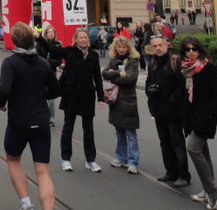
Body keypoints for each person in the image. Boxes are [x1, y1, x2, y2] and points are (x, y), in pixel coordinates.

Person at [0, 22, 61, 210]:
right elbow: (56, 90)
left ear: (14, 40)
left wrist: (2, 103)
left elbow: (3, 89)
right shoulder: (43, 63)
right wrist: (41, 95)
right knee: (42, 172)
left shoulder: (10, 63)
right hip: (40, 122)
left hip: (19, 122)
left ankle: (26, 203)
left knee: (13, 159)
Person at [179, 36, 217, 210]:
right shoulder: (185, 69)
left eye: (194, 49)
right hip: (191, 116)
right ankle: (207, 191)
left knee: (193, 148)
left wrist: (207, 111)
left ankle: (212, 190)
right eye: (187, 50)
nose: (191, 52)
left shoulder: (207, 67)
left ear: (200, 50)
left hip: (204, 117)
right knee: (204, 153)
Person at [57, 28, 105, 172]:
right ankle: (65, 159)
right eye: (81, 37)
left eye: (86, 38)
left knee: (88, 129)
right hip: (71, 94)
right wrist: (38, 38)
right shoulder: (69, 52)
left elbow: (97, 77)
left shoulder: (94, 55)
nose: (84, 40)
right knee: (68, 128)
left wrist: (100, 97)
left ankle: (91, 160)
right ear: (76, 39)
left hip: (87, 95)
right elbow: (52, 49)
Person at [145, 35, 190, 187]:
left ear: (167, 45)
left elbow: (183, 84)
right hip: (158, 109)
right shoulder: (152, 63)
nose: (158, 48)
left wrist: (173, 99)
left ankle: (183, 175)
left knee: (177, 143)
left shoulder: (175, 61)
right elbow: (149, 80)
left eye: (160, 45)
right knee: (164, 142)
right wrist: (149, 93)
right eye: (155, 46)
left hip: (174, 111)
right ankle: (170, 171)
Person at [101, 35, 141, 174]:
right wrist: (119, 73)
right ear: (116, 48)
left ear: (128, 48)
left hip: (128, 100)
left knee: (130, 132)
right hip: (116, 101)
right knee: (119, 132)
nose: (122, 49)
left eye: (124, 47)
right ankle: (121, 157)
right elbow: (105, 74)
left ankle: (133, 162)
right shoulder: (114, 59)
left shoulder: (133, 61)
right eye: (119, 47)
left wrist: (114, 75)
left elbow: (130, 79)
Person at [35, 24, 62, 127]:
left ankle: (51, 118)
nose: (51, 34)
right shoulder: (40, 44)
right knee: (41, 96)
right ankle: (40, 116)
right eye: (49, 32)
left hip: (52, 73)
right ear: (46, 34)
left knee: (51, 99)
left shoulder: (58, 45)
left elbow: (59, 61)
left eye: (53, 32)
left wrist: (50, 62)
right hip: (41, 73)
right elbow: (36, 55)